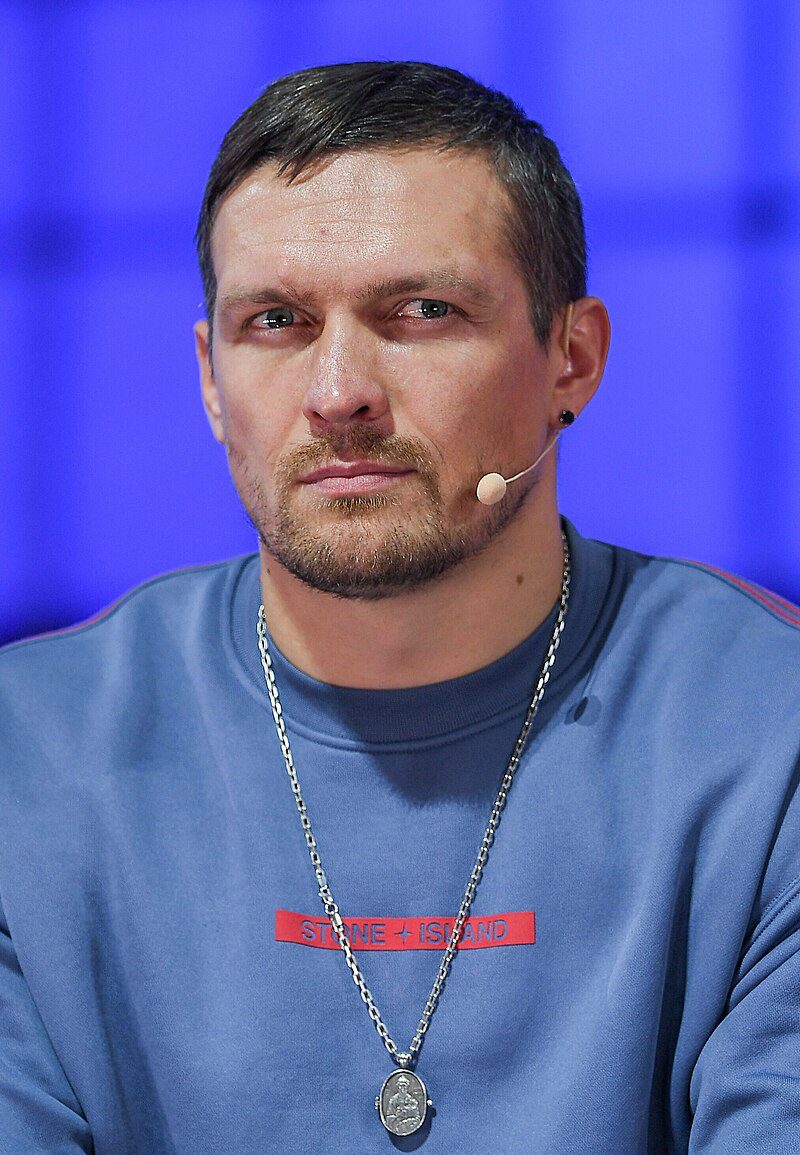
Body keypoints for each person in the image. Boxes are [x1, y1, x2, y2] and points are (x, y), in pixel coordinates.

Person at [0, 60, 798, 1155]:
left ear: (571, 358)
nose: (338, 393)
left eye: (421, 311)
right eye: (275, 320)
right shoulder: (27, 754)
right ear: (207, 378)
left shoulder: (766, 731)